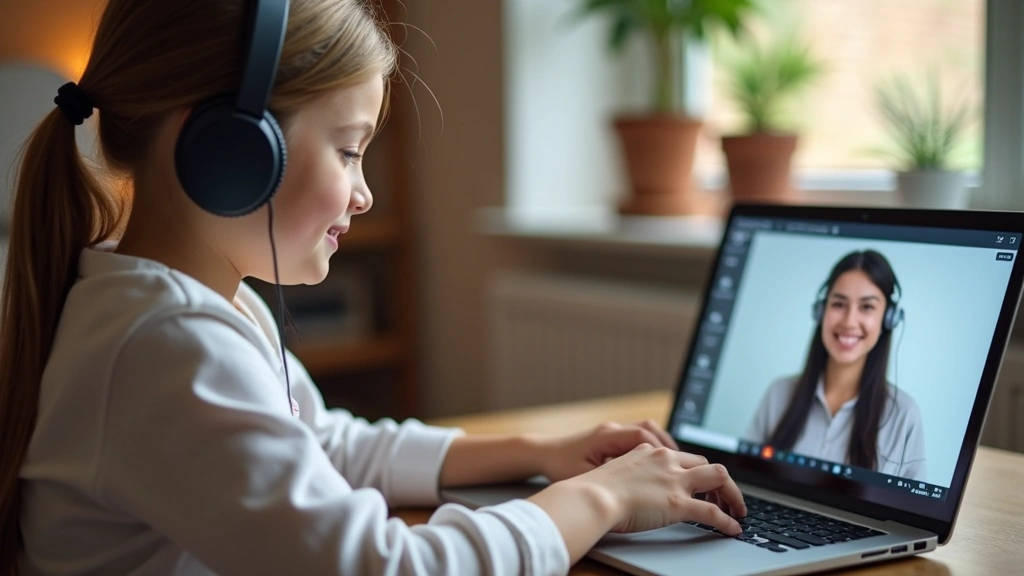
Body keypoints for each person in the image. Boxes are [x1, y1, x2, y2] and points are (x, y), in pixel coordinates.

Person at [0, 1, 747, 574]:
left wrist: (538, 451)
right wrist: (601, 499)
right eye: (350, 151)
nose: (363, 194)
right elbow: (379, 566)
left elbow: (323, 444)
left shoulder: (184, 302)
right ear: (228, 150)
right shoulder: (166, 347)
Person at [746, 249, 926, 481]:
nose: (849, 321)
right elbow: (745, 477)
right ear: (821, 311)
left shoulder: (904, 415)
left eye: (867, 307)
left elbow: (908, 511)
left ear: (888, 319)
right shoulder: (779, 393)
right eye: (839, 304)